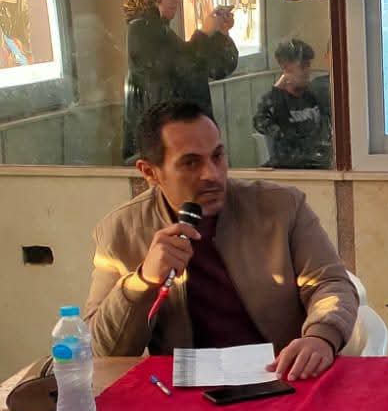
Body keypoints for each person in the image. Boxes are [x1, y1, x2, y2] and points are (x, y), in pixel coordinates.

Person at [86, 99, 356, 378]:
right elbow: (101, 350)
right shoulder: (120, 231)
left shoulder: (282, 206)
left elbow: (331, 283)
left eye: (217, 156)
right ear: (150, 172)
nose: (212, 175)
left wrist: (321, 336)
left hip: (283, 373)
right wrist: (142, 282)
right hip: (185, 387)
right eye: (190, 163)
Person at [121, 0, 238, 161]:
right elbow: (186, 69)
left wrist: (221, 33)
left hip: (178, 136)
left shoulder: (160, 31)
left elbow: (216, 68)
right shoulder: (142, 31)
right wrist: (205, 33)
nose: (176, 0)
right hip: (166, 142)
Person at [253, 38, 332, 169]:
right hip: (290, 168)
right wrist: (277, 91)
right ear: (287, 69)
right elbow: (261, 124)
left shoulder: (314, 95)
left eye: (308, 65)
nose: (307, 71)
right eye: (302, 67)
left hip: (318, 165)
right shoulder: (275, 100)